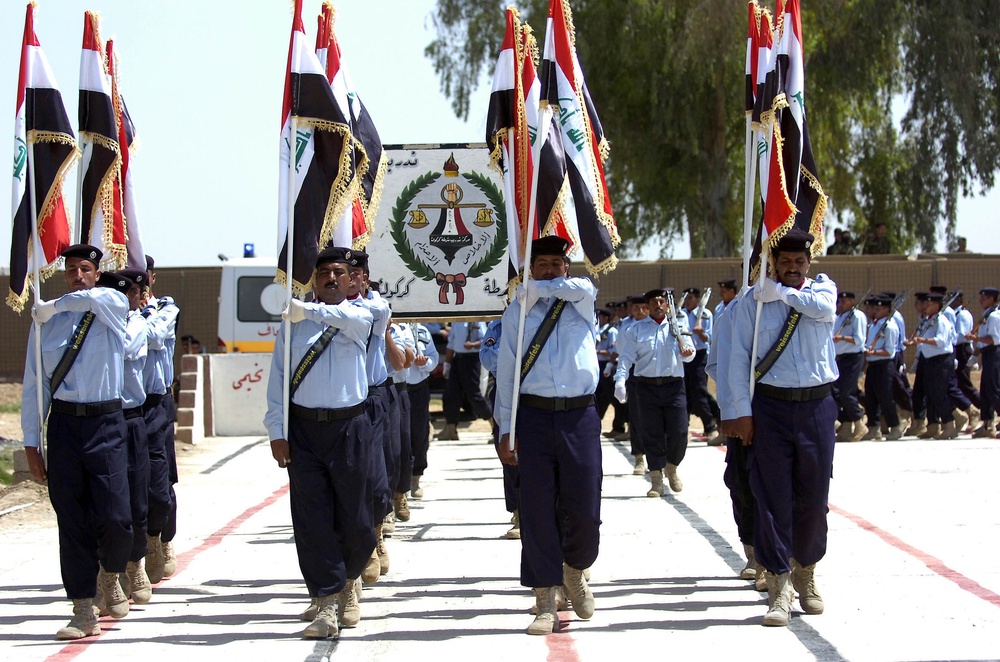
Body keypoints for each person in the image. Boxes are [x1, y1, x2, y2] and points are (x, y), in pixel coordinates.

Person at [21, 244, 133, 639]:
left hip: (106, 421)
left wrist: (55, 305)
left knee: (116, 517)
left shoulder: (110, 306)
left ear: (97, 272)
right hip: (66, 426)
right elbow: (35, 385)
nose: (78, 275)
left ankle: (112, 572)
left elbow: (100, 297)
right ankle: (82, 608)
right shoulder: (46, 323)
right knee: (71, 519)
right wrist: (31, 442)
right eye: (71, 270)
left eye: (85, 268)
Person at [263, 246, 375, 639]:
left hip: (350, 427)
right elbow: (277, 380)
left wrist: (305, 310)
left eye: (338, 273)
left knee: (358, 520)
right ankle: (327, 600)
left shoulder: (362, 314)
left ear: (350, 279)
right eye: (324, 272)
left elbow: (354, 321)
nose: (330, 279)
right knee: (312, 521)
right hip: (305, 431)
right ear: (314, 278)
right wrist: (277, 431)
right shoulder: (291, 325)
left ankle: (350, 580)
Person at [728, 229, 837, 627]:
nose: (792, 268)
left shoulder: (822, 290)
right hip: (770, 406)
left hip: (816, 406)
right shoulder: (752, 303)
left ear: (809, 263)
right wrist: (741, 413)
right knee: (770, 497)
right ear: (772, 263)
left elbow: (823, 309)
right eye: (785, 262)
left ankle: (806, 571)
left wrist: (784, 295)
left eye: (799, 262)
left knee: (813, 495)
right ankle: (778, 584)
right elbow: (738, 360)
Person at [495, 236, 601, 635]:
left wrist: (539, 287)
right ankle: (544, 598)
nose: (550, 270)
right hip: (534, 418)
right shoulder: (516, 314)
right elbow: (506, 376)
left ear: (566, 268)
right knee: (537, 511)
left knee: (585, 508)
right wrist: (507, 428)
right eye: (541, 264)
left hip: (580, 417)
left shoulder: (581, 301)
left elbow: (585, 287)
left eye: (557, 264)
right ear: (530, 268)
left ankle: (574, 570)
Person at [615, 288, 696, 496]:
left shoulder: (678, 326)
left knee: (679, 432)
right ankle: (656, 479)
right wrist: (620, 381)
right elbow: (626, 357)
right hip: (646, 386)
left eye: (662, 301)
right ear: (647, 306)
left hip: (674, 385)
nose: (658, 305)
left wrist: (686, 352)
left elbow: (689, 354)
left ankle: (672, 466)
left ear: (668, 305)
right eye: (654, 302)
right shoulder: (636, 330)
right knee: (652, 433)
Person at [115, 268, 155, 605]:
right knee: (105, 503)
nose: (126, 299)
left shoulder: (137, 323)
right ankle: (109, 572)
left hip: (131, 418)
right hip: (99, 417)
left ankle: (136, 562)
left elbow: (126, 347)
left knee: (137, 499)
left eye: (132, 294)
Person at [142, 255, 181, 585]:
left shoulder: (166, 308)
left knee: (160, 483)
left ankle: (161, 539)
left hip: (156, 404)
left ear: (152, 278)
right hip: (123, 408)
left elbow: (153, 337)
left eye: (142, 278)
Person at [480, 316, 520, 539]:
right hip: (503, 388)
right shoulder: (496, 326)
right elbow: (487, 359)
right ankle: (518, 512)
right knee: (508, 453)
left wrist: (506, 354)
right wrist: (510, 353)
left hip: (532, 389)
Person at [906, 293, 959, 438]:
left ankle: (950, 423)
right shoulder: (929, 320)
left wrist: (923, 340)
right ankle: (933, 425)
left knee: (939, 393)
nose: (925, 307)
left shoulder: (941, 320)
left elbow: (941, 340)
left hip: (940, 360)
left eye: (928, 305)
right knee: (930, 393)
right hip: (930, 360)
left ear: (936, 306)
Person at [437, 319, 492, 440]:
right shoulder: (456, 321)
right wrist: (447, 363)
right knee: (451, 394)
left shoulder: (476, 320)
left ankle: (494, 425)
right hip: (458, 359)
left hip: (472, 359)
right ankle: (451, 429)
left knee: (474, 394)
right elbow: (451, 343)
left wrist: (473, 345)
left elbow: (485, 340)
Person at [681, 287, 720, 443]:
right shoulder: (682, 314)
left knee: (699, 391)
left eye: (691, 298)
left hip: (700, 355)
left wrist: (700, 333)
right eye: (686, 298)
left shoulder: (705, 314)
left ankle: (710, 426)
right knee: (685, 392)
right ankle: (685, 427)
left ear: (697, 300)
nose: (688, 301)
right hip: (685, 356)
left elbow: (708, 339)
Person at [862, 295, 904, 441]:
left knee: (885, 397)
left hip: (884, 365)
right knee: (871, 397)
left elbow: (890, 351)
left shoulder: (890, 327)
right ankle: (874, 427)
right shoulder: (874, 325)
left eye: (879, 309)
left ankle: (895, 426)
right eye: (875, 308)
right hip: (873, 365)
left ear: (887, 310)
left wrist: (873, 352)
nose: (876, 311)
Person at [405, 323, 438, 500]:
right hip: (398, 387)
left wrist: (426, 363)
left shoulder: (422, 330)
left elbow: (433, 356)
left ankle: (415, 478)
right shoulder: (394, 328)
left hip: (419, 388)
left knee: (419, 435)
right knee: (400, 437)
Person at [832, 291, 868, 441]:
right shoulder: (839, 318)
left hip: (853, 357)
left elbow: (859, 340)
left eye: (845, 301)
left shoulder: (857, 317)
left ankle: (859, 422)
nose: (841, 304)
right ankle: (846, 423)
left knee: (847, 392)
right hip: (840, 358)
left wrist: (842, 338)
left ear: (852, 302)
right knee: (835, 391)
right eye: (840, 301)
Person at [967, 288, 1000, 437]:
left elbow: (994, 340)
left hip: (995, 353)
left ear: (992, 299)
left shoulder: (994, 317)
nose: (981, 301)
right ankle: (987, 424)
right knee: (985, 390)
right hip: (987, 354)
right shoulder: (986, 315)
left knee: (994, 389)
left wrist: (975, 339)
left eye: (984, 298)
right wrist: (975, 355)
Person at [594, 308, 618, 428]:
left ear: (606, 318)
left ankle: (620, 424)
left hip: (608, 364)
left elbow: (613, 351)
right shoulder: (600, 330)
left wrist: (597, 351)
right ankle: (597, 421)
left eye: (601, 317)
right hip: (599, 364)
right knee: (599, 396)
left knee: (611, 396)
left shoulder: (612, 331)